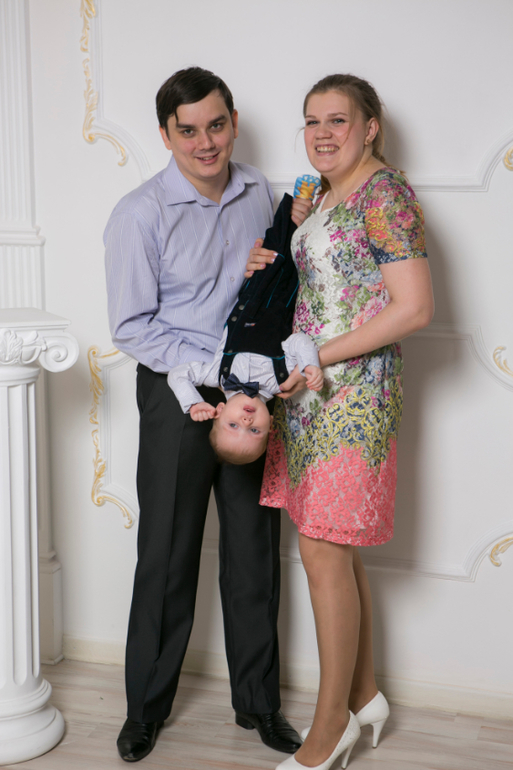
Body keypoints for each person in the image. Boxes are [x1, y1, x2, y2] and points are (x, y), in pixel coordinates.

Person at [104, 66, 307, 763]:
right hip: (178, 390)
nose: (205, 142)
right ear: (166, 135)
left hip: (249, 390)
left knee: (254, 548)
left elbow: (276, 287)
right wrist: (209, 368)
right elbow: (131, 327)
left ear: (234, 121)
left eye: (216, 125)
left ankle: (258, 704)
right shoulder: (139, 213)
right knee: (166, 550)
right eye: (187, 130)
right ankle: (144, 709)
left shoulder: (259, 193)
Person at [247, 74, 434, 770]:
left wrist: (317, 354)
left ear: (370, 126)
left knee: (324, 549)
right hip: (308, 396)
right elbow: (328, 286)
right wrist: (269, 261)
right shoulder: (325, 194)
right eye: (311, 121)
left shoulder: (385, 195)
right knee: (330, 548)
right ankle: (365, 696)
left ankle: (329, 731)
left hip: (354, 397)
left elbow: (414, 308)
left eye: (337, 120)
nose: (322, 133)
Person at [167, 326, 322, 464]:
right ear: (270, 423)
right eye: (254, 430)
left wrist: (194, 403)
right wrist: (309, 364)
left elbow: (178, 374)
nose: (246, 422)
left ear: (220, 410)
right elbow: (298, 340)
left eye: (233, 425)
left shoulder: (218, 376)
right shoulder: (281, 381)